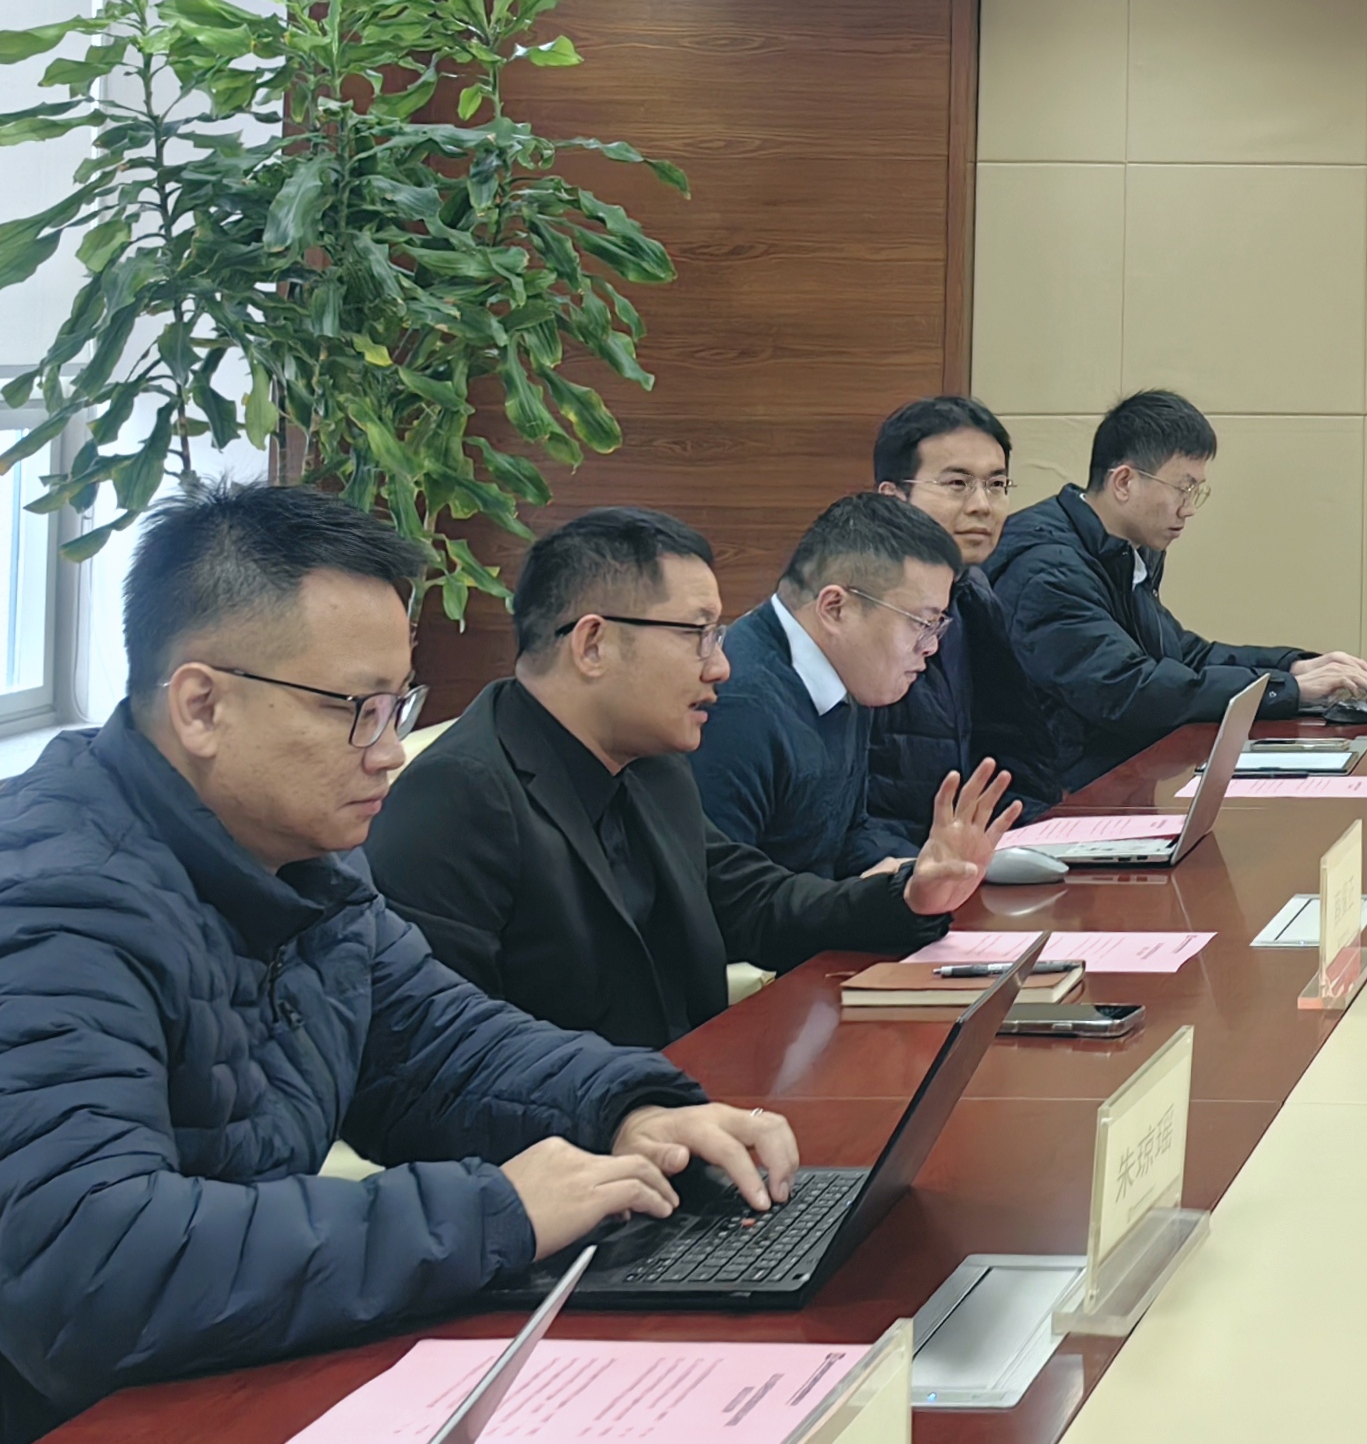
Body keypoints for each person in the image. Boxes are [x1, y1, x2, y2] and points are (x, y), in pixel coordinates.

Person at [0, 485, 797, 1443]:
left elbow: (435, 1044)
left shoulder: (306, 860)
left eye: (397, 706)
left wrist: (629, 1107)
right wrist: (493, 1214)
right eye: (357, 711)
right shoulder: (55, 905)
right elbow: (89, 1269)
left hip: (221, 1368)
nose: (388, 752)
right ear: (202, 705)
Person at [368, 506, 1005, 1051]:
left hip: (684, 1100)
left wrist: (909, 896)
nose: (721, 666)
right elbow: (445, 1052)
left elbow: (756, 904)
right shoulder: (459, 796)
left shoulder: (651, 764)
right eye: (697, 635)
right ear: (592, 644)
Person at [994, 388, 1367, 790]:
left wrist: (1291, 668)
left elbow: (1183, 655)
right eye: (1183, 489)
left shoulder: (1122, 550)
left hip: (1116, 783)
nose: (1190, 508)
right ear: (1124, 482)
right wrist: (1287, 691)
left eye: (1196, 491)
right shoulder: (1048, 572)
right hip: (1057, 800)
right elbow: (1130, 690)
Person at [690, 492, 1024, 880]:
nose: (931, 646)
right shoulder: (736, 707)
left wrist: (928, 868)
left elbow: (845, 837)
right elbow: (724, 895)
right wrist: (867, 899)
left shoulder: (846, 671)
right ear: (835, 608)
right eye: (921, 623)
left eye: (937, 626)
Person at [863, 396, 1061, 861]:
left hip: (966, 859)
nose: (982, 506)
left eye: (996, 485)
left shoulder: (973, 592)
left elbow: (1015, 757)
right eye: (957, 484)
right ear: (892, 498)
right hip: (893, 874)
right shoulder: (862, 613)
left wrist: (1033, 839)